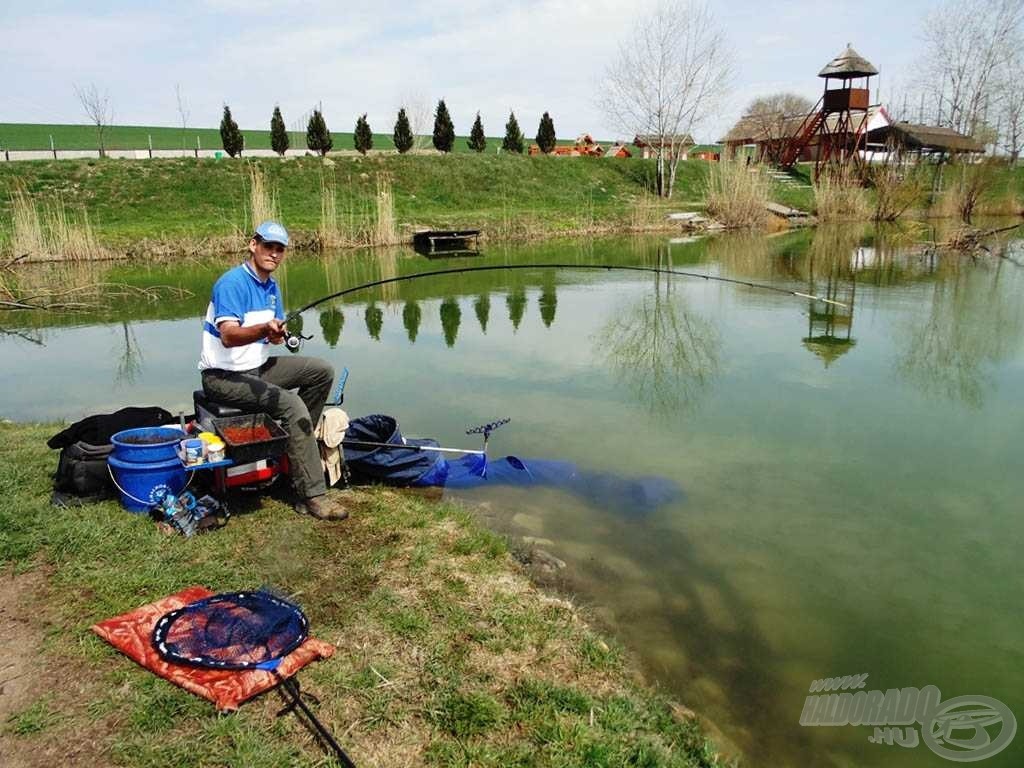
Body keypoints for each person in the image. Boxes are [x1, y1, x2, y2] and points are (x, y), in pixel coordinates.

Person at [198, 220, 348, 521]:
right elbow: (229, 336)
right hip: (223, 376)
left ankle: (295, 452)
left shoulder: (272, 287)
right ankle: (312, 495)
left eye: (280, 249)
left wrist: (277, 335)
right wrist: (263, 330)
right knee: (292, 406)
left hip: (258, 368)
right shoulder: (232, 283)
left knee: (321, 371)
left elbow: (270, 333)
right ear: (254, 245)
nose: (275, 254)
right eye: (269, 246)